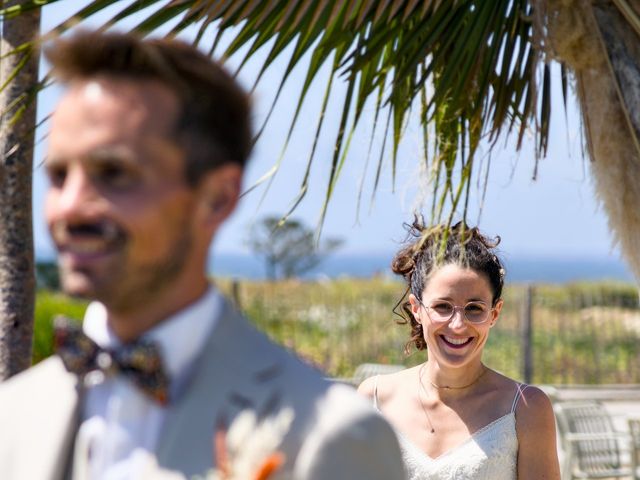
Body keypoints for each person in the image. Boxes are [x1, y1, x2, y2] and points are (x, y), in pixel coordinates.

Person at [0, 30, 405, 480]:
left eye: (113, 173)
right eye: (58, 175)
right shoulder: (14, 416)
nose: (69, 207)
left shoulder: (331, 436)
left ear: (217, 197)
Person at [358, 219, 560, 479]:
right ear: (416, 308)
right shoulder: (374, 399)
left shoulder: (525, 408)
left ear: (494, 313)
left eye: (474, 308)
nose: (458, 324)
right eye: (443, 306)